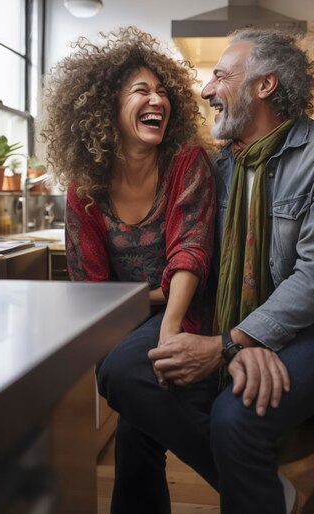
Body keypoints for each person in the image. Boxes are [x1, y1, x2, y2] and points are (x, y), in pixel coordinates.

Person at [97, 28, 314, 514]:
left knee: (236, 417)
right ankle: (264, 485)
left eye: (220, 77)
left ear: (264, 85)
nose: (207, 90)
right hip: (252, 317)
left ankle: (260, 488)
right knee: (123, 374)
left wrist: (231, 345)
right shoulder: (219, 167)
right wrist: (242, 338)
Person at [39, 25, 216, 347]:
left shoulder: (186, 163)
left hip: (185, 312)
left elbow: (190, 253)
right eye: (141, 91)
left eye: (163, 92)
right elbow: (90, 282)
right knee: (114, 370)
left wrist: (169, 330)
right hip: (119, 314)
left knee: (129, 371)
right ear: (109, 107)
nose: (157, 100)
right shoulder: (86, 188)